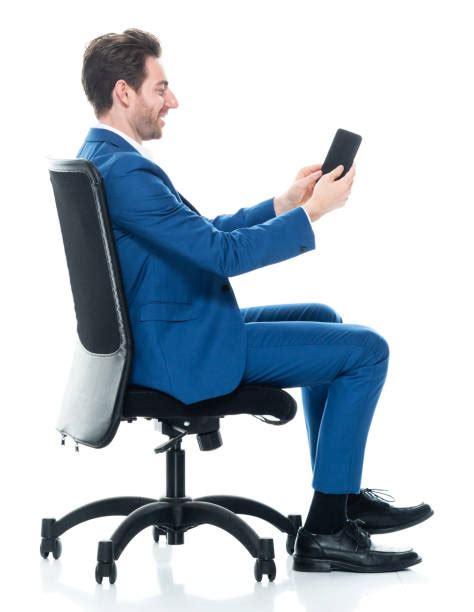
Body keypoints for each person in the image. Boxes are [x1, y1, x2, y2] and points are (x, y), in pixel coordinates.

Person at [78, 28, 433, 573]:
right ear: (124, 92)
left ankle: (339, 498)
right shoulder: (127, 171)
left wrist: (282, 203)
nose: (173, 100)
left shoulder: (106, 157)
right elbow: (219, 255)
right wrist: (312, 215)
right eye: (161, 88)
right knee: (368, 351)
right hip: (178, 351)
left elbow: (197, 235)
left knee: (323, 318)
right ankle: (326, 530)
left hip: (169, 330)